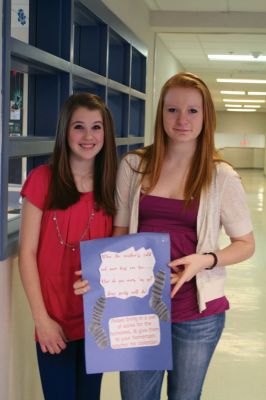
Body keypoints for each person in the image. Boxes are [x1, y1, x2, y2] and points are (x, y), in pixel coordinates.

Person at [74, 72, 255, 400]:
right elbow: (119, 234)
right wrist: (97, 276)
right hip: (139, 310)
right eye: (172, 110)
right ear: (161, 114)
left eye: (192, 111)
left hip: (197, 314)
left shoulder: (221, 176)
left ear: (205, 116)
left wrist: (206, 260)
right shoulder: (135, 166)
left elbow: (246, 244)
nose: (182, 119)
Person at [19, 92, 117, 400]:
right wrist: (41, 319)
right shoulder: (41, 180)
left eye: (96, 127)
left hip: (96, 321)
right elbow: (27, 253)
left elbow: (116, 256)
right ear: (65, 131)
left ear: (106, 133)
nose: (88, 136)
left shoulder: (113, 186)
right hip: (53, 322)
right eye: (79, 126)